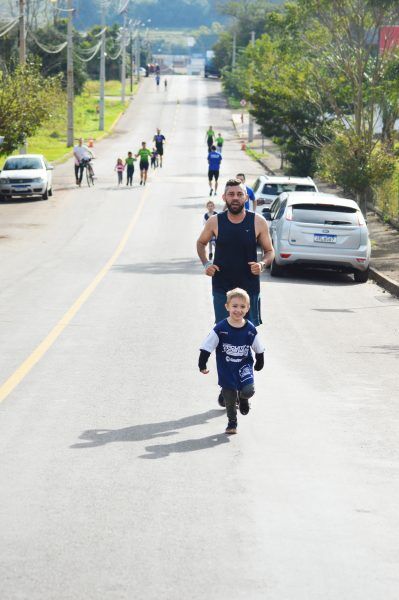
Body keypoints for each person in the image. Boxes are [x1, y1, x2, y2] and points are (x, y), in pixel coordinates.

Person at [197, 178, 274, 407]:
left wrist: (262, 265)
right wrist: (205, 264)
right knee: (224, 337)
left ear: (246, 197)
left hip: (249, 288)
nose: (235, 198)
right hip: (222, 286)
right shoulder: (215, 222)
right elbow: (201, 243)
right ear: (224, 198)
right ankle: (227, 386)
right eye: (231, 194)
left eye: (239, 194)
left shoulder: (258, 222)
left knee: (246, 337)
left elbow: (270, 251)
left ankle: (243, 382)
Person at [198, 287, 265, 435]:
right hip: (226, 368)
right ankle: (232, 422)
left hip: (244, 366)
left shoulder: (250, 328)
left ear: (247, 308)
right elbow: (207, 346)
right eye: (234, 306)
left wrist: (260, 359)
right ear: (227, 306)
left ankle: (243, 397)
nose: (238, 310)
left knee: (248, 390)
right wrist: (202, 363)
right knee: (229, 398)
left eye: (242, 306)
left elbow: (258, 347)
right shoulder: (220, 328)